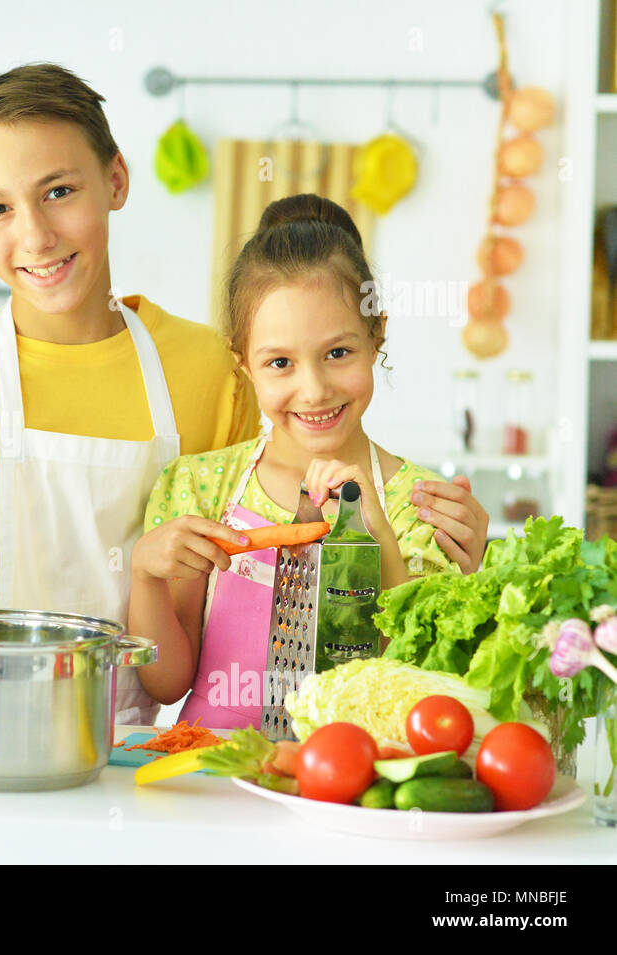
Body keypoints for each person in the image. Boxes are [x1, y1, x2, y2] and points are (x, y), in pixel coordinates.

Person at [0, 67, 489, 727]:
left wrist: (449, 566)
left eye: (60, 190)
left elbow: (237, 595)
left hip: (135, 757)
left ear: (116, 180)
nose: (35, 235)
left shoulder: (209, 371)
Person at [128, 194, 470, 730]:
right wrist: (145, 574)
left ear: (376, 333)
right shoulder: (198, 487)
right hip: (211, 783)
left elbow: (412, 680)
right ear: (243, 363)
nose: (313, 390)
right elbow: (167, 681)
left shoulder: (421, 504)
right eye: (280, 362)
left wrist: (371, 526)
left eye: (338, 353)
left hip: (344, 785)